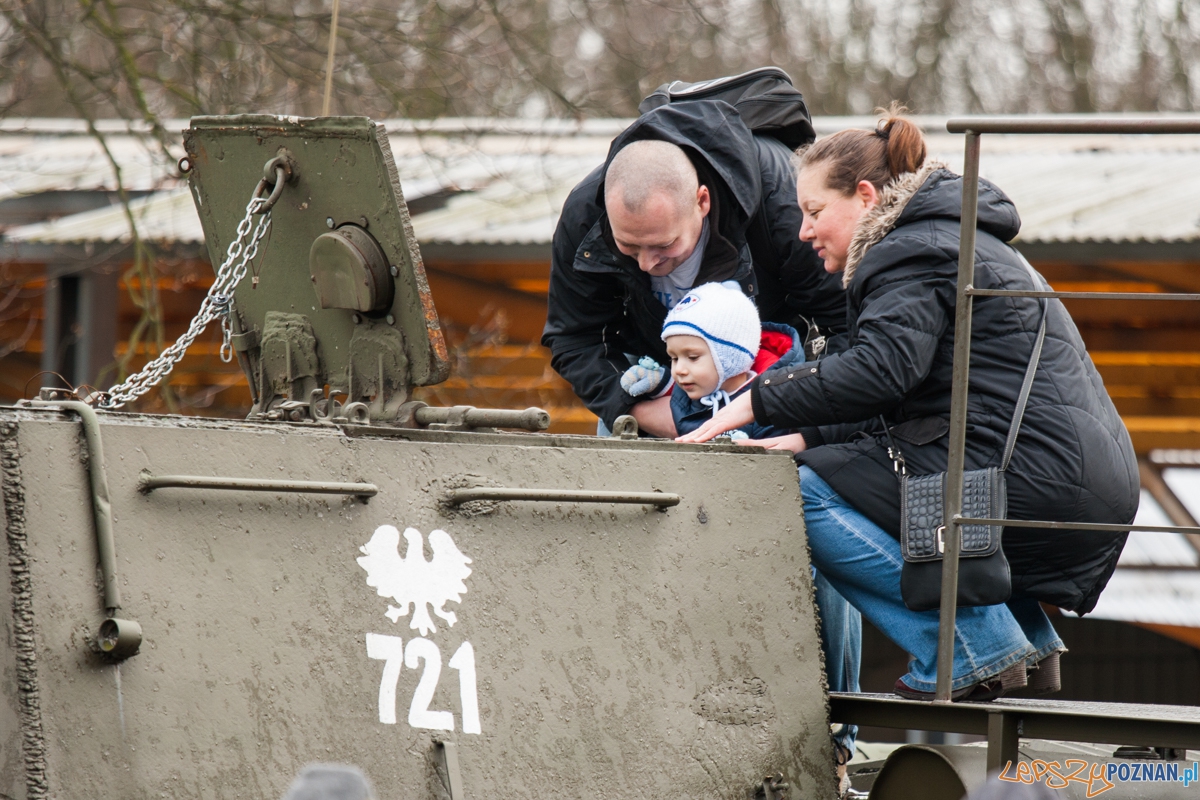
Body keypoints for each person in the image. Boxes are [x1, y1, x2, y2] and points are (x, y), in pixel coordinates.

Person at [678, 109, 1138, 700]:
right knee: (832, 465)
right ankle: (1027, 642)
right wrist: (810, 437)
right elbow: (908, 389)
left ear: (865, 196)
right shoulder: (950, 239)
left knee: (794, 491)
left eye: (815, 212)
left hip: (1029, 476)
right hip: (1070, 477)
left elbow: (879, 369)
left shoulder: (906, 253)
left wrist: (759, 397)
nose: (802, 232)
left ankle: (979, 650)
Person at [541, 100, 847, 438]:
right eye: (628, 246)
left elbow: (844, 322)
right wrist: (634, 408)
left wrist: (806, 423)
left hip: (775, 391)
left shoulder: (783, 203)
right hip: (651, 387)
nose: (646, 264)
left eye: (664, 245)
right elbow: (575, 336)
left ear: (702, 202)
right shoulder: (585, 215)